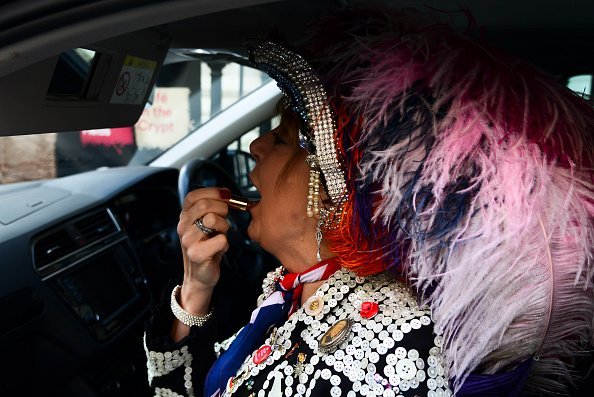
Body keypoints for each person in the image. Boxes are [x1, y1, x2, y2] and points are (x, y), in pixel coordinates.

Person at [144, 9, 594, 397]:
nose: (257, 146)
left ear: (331, 187)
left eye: (283, 139)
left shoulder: (396, 353)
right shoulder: (295, 287)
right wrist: (195, 291)